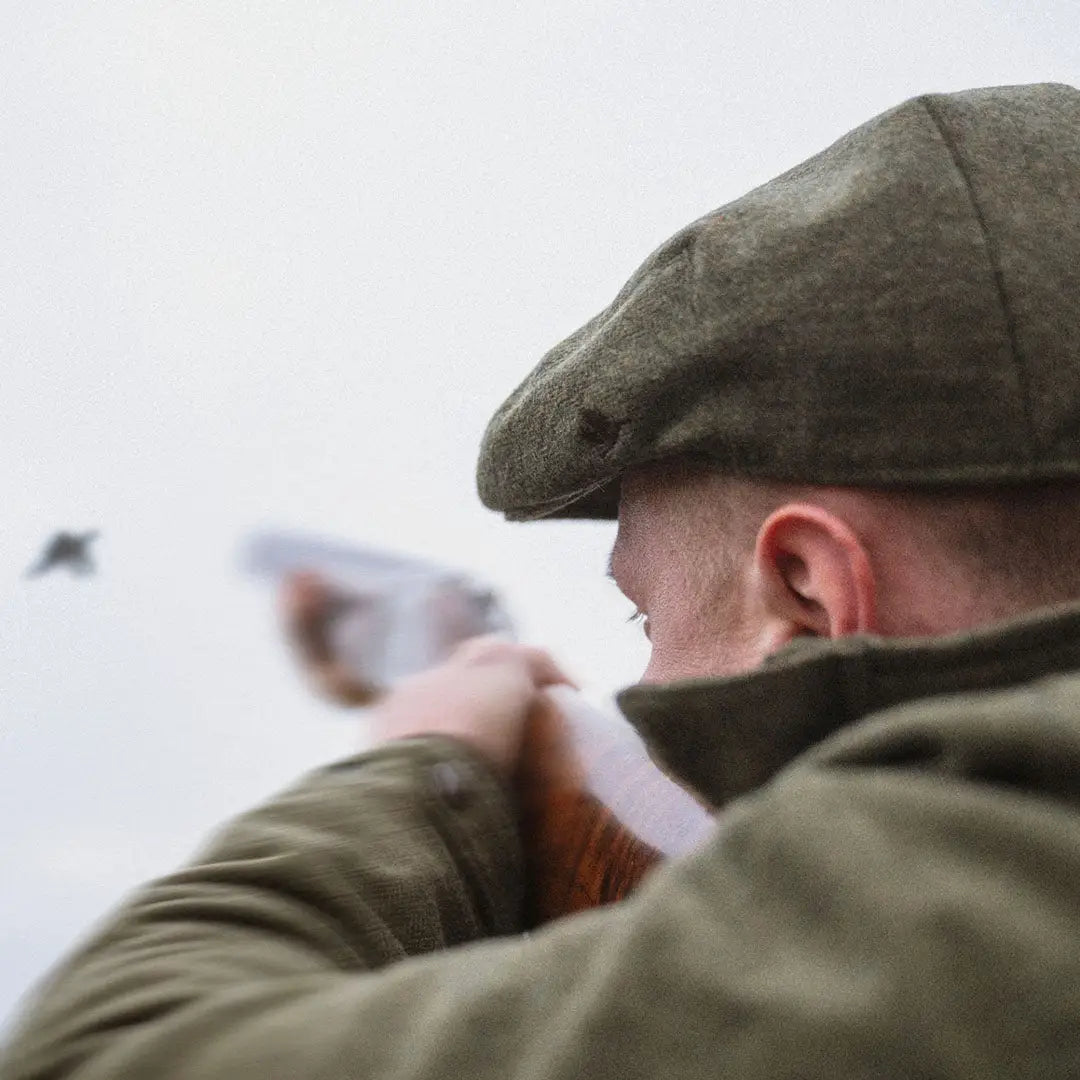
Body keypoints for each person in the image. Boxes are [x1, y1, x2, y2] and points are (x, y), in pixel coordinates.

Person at [4, 80, 1080, 1079]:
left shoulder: (971, 905)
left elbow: (102, 1055)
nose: (643, 674)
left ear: (806, 595)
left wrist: (433, 769)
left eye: (644, 612)